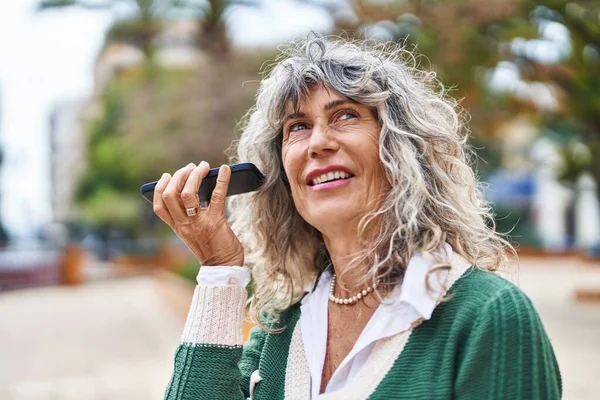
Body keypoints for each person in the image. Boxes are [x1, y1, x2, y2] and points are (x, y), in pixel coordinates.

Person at [153, 36, 562, 399]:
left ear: (402, 149)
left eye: (345, 115)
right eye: (298, 126)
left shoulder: (489, 317)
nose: (318, 143)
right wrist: (220, 271)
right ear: (282, 175)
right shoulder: (282, 324)